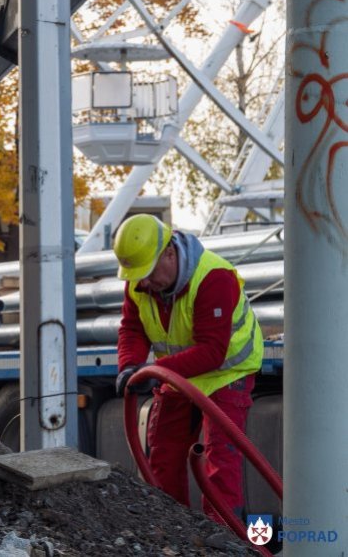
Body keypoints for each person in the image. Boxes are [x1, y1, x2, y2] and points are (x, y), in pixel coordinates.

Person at [112, 214, 263, 525]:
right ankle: (172, 532)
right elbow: (132, 329)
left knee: (220, 460)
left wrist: (153, 371)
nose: (143, 283)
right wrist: (129, 366)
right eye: (137, 276)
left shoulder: (214, 277)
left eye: (148, 273)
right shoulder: (140, 282)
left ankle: (224, 536)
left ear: (170, 253)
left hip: (226, 375)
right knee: (163, 455)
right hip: (177, 376)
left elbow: (212, 351)